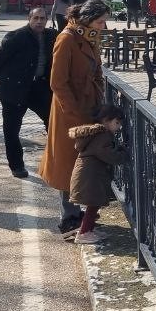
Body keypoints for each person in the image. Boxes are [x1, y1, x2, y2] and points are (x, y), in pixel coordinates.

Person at [40, 0, 110, 235]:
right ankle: (68, 216)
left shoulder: (88, 36)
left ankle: (76, 211)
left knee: (81, 161)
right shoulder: (67, 38)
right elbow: (57, 82)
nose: (104, 26)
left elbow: (97, 71)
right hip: (68, 113)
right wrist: (75, 112)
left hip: (88, 107)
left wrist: (98, 98)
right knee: (67, 163)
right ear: (89, 19)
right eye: (101, 22)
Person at [0, 8, 57, 177]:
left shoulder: (52, 36)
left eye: (43, 18)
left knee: (53, 122)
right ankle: (16, 165)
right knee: (11, 129)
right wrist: (3, 80)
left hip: (39, 87)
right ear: (29, 19)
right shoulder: (16, 36)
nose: (39, 21)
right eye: (36, 18)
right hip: (15, 88)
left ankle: (55, 160)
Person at [67, 105, 127, 245]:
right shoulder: (102, 136)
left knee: (93, 205)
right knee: (93, 205)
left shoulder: (97, 134)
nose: (118, 127)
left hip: (89, 175)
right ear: (106, 121)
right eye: (116, 123)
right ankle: (84, 233)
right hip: (90, 177)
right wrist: (124, 153)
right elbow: (109, 155)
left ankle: (89, 229)